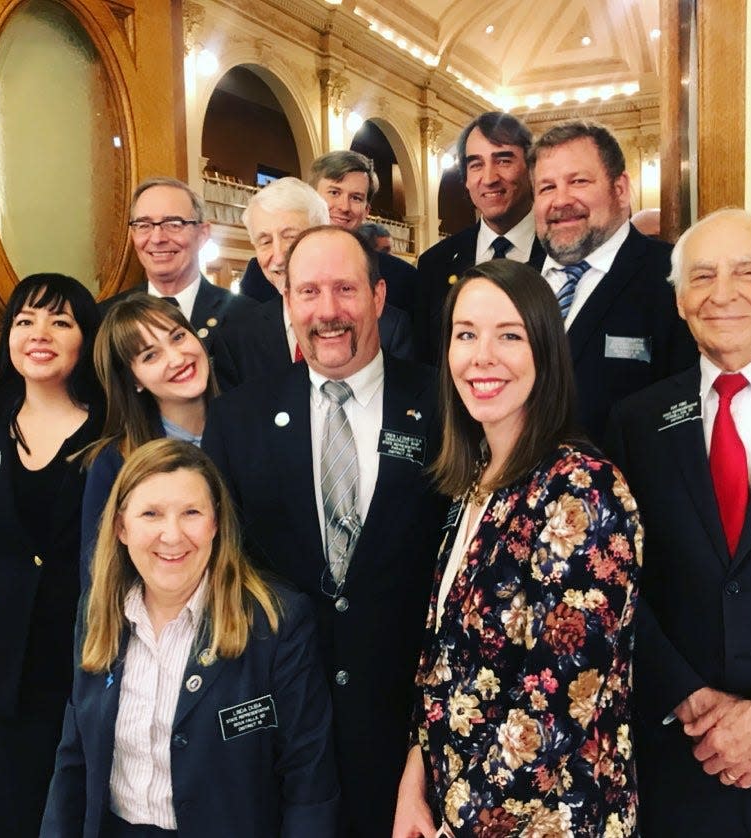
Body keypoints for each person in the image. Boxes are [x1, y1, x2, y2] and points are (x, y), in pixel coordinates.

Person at [203, 225, 446, 837]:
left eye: (346, 289)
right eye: (308, 291)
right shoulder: (238, 417)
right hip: (285, 735)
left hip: (413, 736)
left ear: (380, 297)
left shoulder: (445, 406)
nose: (328, 311)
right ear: (287, 303)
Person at [393, 260, 640, 837]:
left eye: (509, 335)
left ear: (546, 352)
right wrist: (415, 778)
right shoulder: (474, 480)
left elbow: (560, 702)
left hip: (545, 820)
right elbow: (445, 661)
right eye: (465, 334)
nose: (482, 357)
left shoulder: (583, 489)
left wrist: (458, 823)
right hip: (445, 799)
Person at [605, 208, 751, 837]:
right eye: (702, 276)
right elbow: (616, 580)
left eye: (748, 272)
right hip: (675, 765)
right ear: (680, 300)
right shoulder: (636, 422)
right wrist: (684, 695)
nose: (723, 294)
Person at [41, 439, 338, 837]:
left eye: (191, 513)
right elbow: (73, 759)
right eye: (151, 513)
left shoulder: (276, 623)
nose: (172, 535)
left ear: (216, 523)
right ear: (121, 527)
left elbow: (309, 783)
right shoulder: (97, 612)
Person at [0, 273, 103, 836]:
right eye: (25, 320)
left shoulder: (113, 426)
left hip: (81, 660)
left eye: (61, 321)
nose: (41, 333)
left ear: (86, 339)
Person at [528, 119, 697, 441]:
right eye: (547, 187)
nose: (560, 200)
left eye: (578, 181)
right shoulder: (513, 282)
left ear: (619, 190)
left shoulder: (674, 278)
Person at [80, 294, 218, 585]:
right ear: (135, 380)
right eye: (150, 356)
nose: (177, 359)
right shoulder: (114, 460)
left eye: (179, 337)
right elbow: (99, 578)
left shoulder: (252, 428)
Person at [230, 177, 414, 381]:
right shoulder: (237, 336)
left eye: (291, 237)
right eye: (264, 241)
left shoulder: (390, 327)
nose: (280, 256)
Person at [101, 176, 254, 389]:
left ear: (202, 234)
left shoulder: (247, 317)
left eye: (173, 224)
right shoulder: (105, 319)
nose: (157, 238)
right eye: (143, 225)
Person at [414, 111, 544, 363]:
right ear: (466, 179)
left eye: (504, 161)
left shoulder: (565, 255)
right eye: (476, 165)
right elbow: (427, 366)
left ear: (531, 169)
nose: (489, 178)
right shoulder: (435, 264)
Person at [308, 149, 418, 316]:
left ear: (366, 210)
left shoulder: (401, 279)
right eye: (334, 192)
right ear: (311, 197)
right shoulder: (270, 273)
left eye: (356, 198)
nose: (344, 207)